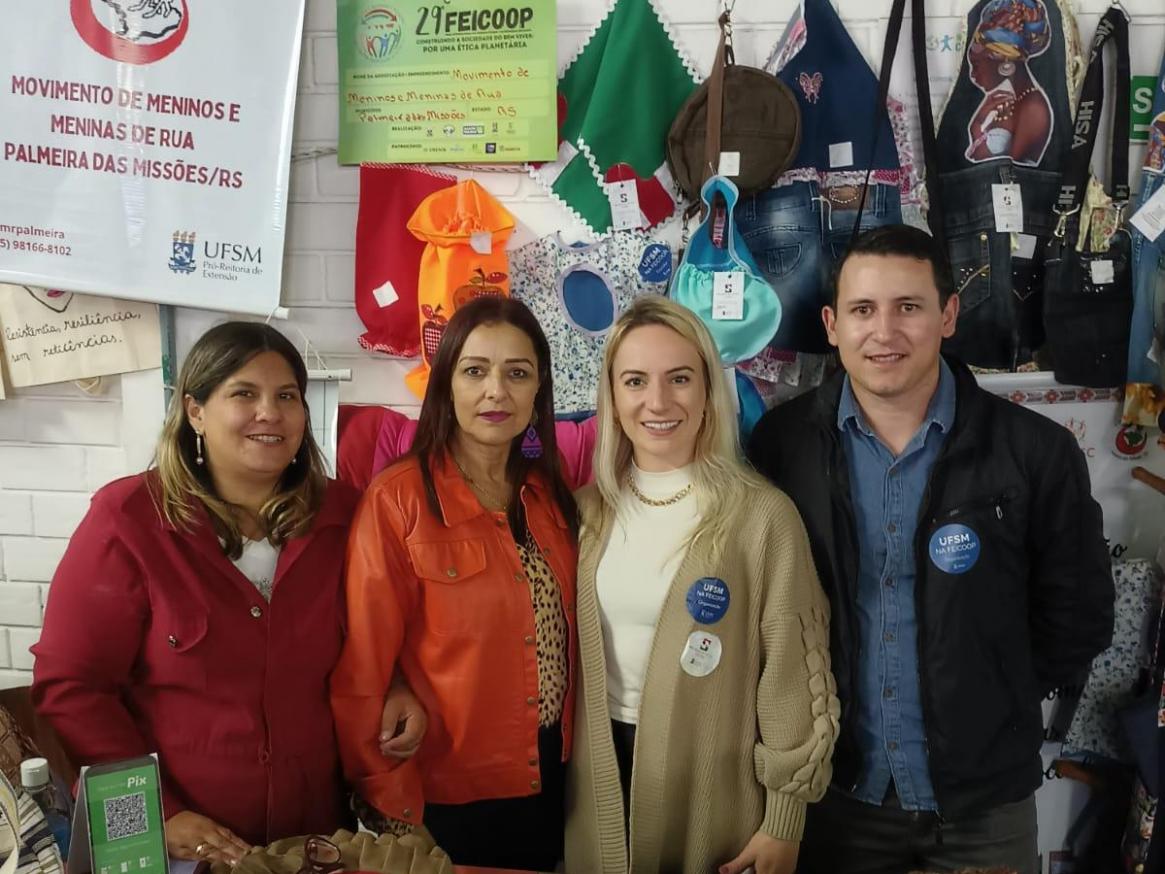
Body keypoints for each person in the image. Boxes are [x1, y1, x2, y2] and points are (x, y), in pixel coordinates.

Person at [747, 225, 1115, 874]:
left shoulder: (1034, 450)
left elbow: (1078, 613)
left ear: (947, 315)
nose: (883, 331)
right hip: (837, 799)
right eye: (862, 310)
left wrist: (992, 691)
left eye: (907, 307)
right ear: (831, 324)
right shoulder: (782, 445)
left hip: (984, 810)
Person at [31, 322, 424, 864]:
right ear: (195, 411)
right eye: (244, 393)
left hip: (311, 842)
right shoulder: (127, 522)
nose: (270, 412)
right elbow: (72, 689)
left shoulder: (347, 516)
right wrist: (156, 814)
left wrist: (398, 683)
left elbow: (379, 632)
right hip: (182, 851)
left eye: (287, 396)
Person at [565, 296, 840, 874]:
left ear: (709, 388)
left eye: (680, 379)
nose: (658, 402)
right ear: (612, 397)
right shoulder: (584, 515)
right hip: (597, 784)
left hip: (717, 802)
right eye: (635, 381)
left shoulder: (763, 518)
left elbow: (793, 675)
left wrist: (784, 820)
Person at [330, 296, 579, 870]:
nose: (497, 391)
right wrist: (389, 802)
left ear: (539, 389)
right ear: (447, 386)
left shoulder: (549, 497)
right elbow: (364, 668)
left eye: (518, 373)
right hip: (445, 790)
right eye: (475, 371)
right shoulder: (398, 501)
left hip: (551, 776)